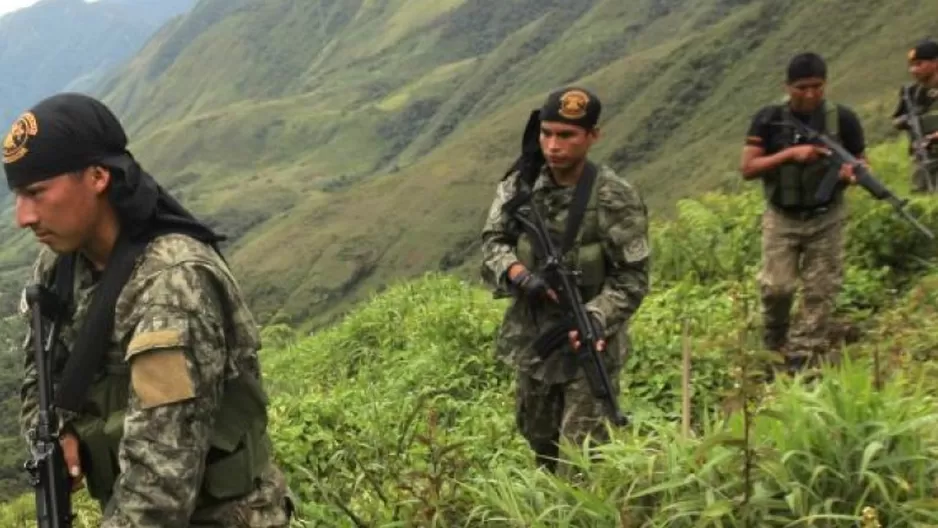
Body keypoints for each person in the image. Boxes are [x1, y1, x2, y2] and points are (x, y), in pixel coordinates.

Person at [4, 93, 294, 527]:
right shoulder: (59, 265)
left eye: (36, 193)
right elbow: (38, 372)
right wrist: (53, 431)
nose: (22, 217)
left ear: (98, 176)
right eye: (17, 196)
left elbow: (160, 488)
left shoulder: (173, 284)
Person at [480, 87, 650, 474]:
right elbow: (492, 242)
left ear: (593, 136)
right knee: (539, 439)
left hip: (588, 346)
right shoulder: (518, 186)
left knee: (581, 462)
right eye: (547, 133)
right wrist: (520, 274)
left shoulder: (613, 197)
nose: (554, 145)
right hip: (533, 343)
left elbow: (633, 278)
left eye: (567, 135)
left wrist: (595, 315)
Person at [739, 52, 864, 374]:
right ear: (788, 86)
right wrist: (791, 154)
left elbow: (862, 164)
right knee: (776, 287)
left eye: (817, 86)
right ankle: (775, 338)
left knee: (820, 290)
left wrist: (851, 175)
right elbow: (749, 168)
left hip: (827, 216)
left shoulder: (843, 120)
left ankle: (802, 358)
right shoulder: (768, 120)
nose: (810, 94)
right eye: (802, 87)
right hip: (782, 216)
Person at [891, 39, 938, 193]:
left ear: (935, 62)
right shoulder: (910, 92)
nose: (913, 70)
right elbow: (896, 119)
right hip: (922, 156)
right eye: (912, 65)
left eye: (919, 64)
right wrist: (906, 121)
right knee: (921, 199)